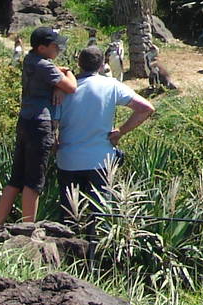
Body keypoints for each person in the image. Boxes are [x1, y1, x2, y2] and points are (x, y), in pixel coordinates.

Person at [0, 26, 77, 229]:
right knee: (33, 182)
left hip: (25, 121)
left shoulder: (30, 59)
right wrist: (69, 72)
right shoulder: (45, 66)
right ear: (42, 48)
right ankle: (27, 230)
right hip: (40, 125)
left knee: (16, 179)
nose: (58, 49)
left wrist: (57, 80)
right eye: (55, 46)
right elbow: (72, 87)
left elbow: (53, 75)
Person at [55, 44, 154, 212]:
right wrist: (120, 131)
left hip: (68, 159)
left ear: (79, 63)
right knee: (100, 215)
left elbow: (52, 123)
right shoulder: (111, 85)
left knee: (69, 216)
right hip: (100, 160)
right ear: (102, 65)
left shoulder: (63, 89)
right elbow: (146, 108)